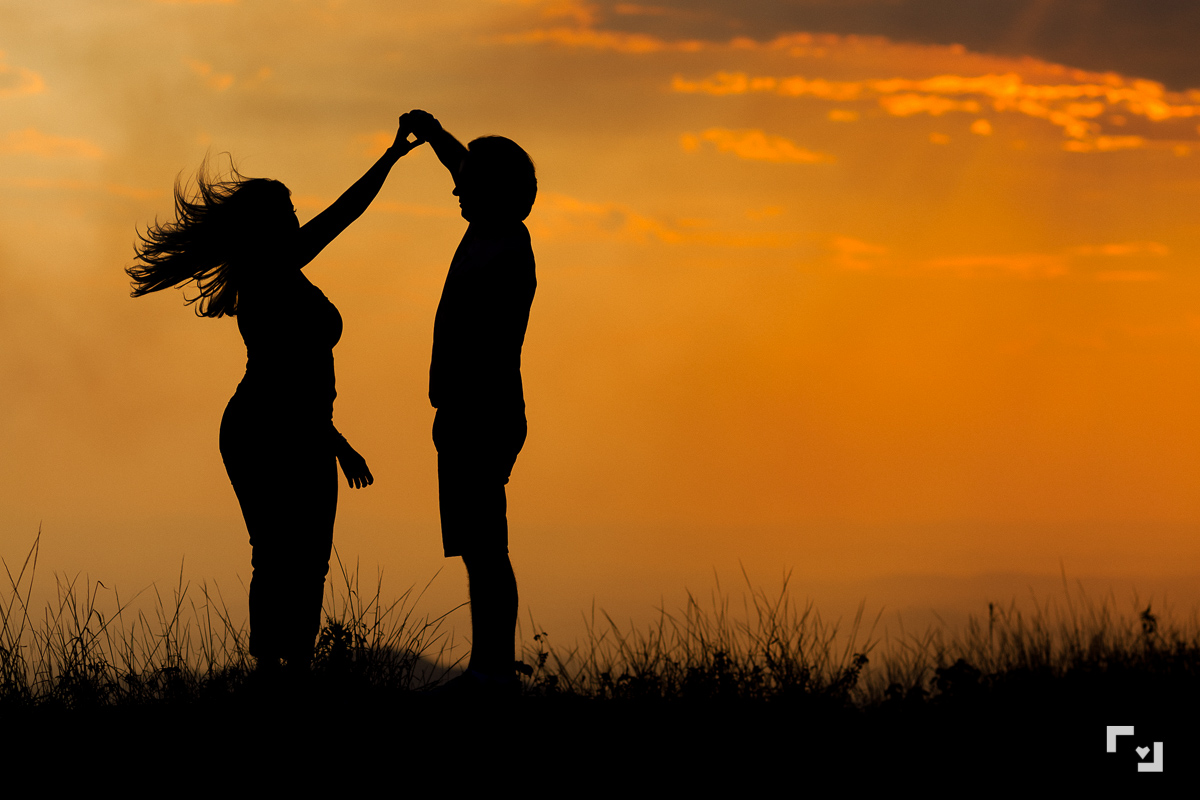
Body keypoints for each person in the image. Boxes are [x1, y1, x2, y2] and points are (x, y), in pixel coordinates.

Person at [127, 119, 424, 673]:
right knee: (285, 555)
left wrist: (391, 157)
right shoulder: (267, 275)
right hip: (272, 426)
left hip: (290, 424)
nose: (295, 220)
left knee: (301, 556)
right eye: (287, 213)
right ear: (267, 226)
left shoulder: (278, 272)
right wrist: (340, 445)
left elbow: (296, 383)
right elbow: (286, 388)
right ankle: (276, 674)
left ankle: (289, 671)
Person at [403, 109, 537, 693]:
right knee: (479, 546)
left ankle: (492, 671)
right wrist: (433, 133)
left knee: (485, 548)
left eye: (468, 184)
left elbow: (486, 348)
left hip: (480, 416)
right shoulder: (490, 228)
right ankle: (490, 667)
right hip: (467, 414)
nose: (455, 188)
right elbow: (465, 164)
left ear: (492, 191)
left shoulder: (504, 249)